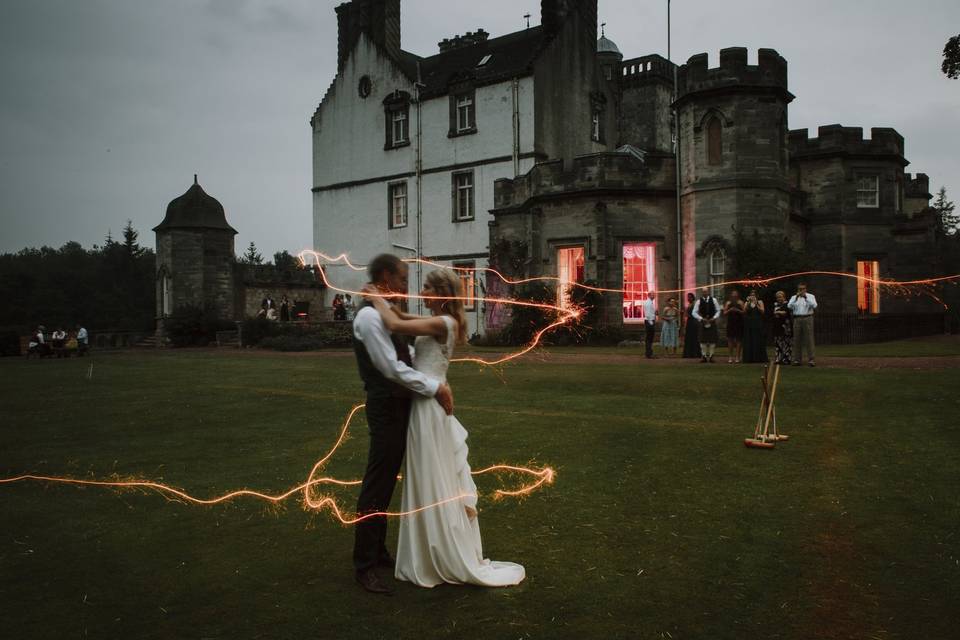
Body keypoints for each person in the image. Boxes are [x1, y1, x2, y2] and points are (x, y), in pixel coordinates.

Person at [361, 265, 525, 590]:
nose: (423, 293)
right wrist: (384, 300)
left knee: (433, 474)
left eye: (428, 289)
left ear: (443, 296)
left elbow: (394, 322)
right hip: (424, 402)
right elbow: (399, 319)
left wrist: (373, 296)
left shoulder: (443, 322)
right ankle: (427, 546)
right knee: (428, 473)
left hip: (429, 405)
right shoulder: (437, 321)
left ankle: (439, 549)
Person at [351, 254, 456, 595]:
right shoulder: (369, 317)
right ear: (385, 275)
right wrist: (435, 387)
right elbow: (390, 369)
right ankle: (365, 564)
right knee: (377, 483)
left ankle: (378, 552)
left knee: (387, 484)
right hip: (386, 406)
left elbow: (402, 341)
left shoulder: (386, 312)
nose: (408, 287)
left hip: (403, 408)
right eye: (403, 279)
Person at [788, 283, 817, 366]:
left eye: (803, 289)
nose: (801, 290)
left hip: (808, 318)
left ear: (805, 289)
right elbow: (789, 306)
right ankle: (797, 360)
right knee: (797, 339)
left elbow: (814, 305)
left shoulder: (811, 296)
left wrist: (806, 298)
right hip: (797, 318)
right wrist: (796, 298)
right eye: (799, 289)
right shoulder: (794, 297)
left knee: (809, 339)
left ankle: (811, 360)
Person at [692, 287, 721, 363]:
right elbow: (694, 312)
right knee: (702, 340)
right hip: (703, 322)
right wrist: (701, 318)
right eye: (703, 292)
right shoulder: (698, 301)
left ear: (708, 292)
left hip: (712, 321)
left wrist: (714, 318)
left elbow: (718, 310)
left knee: (712, 340)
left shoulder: (714, 300)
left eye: (706, 291)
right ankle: (704, 356)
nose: (705, 293)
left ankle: (711, 356)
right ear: (702, 293)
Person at [741, 289, 768, 363]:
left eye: (754, 295)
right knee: (749, 339)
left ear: (757, 296)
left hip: (757, 322)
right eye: (751, 295)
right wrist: (749, 303)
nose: (752, 296)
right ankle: (749, 358)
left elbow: (762, 311)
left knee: (758, 339)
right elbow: (744, 311)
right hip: (749, 323)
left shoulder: (760, 302)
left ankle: (759, 358)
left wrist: (756, 304)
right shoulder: (747, 302)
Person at [723, 290, 745, 363]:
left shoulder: (741, 302)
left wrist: (738, 310)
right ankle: (730, 357)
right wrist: (730, 310)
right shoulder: (728, 303)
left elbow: (744, 312)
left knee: (739, 340)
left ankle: (737, 357)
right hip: (730, 322)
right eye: (733, 295)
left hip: (739, 323)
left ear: (738, 295)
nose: (734, 296)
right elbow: (724, 312)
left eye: (735, 295)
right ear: (731, 296)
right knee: (730, 340)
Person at [771, 291, 792, 365]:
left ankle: (786, 358)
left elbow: (786, 312)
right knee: (778, 343)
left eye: (780, 297)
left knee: (786, 343)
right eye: (777, 297)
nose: (779, 298)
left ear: (784, 297)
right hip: (777, 327)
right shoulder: (776, 305)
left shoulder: (787, 304)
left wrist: (778, 312)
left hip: (785, 327)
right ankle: (778, 358)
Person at [682, 292, 701, 359]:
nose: (688, 298)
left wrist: (687, 314)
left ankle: (695, 353)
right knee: (689, 337)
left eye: (689, 297)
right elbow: (686, 314)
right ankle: (689, 353)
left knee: (694, 337)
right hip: (689, 322)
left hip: (693, 322)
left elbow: (696, 313)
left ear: (692, 298)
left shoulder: (694, 304)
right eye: (688, 297)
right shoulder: (689, 305)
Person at [642, 291, 658, 359]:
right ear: (649, 295)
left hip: (650, 321)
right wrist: (651, 322)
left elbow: (651, 312)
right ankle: (649, 354)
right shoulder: (648, 303)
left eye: (654, 294)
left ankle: (649, 353)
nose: (654, 296)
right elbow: (648, 314)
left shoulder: (650, 302)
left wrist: (655, 313)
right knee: (649, 338)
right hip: (649, 321)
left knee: (650, 338)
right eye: (652, 295)